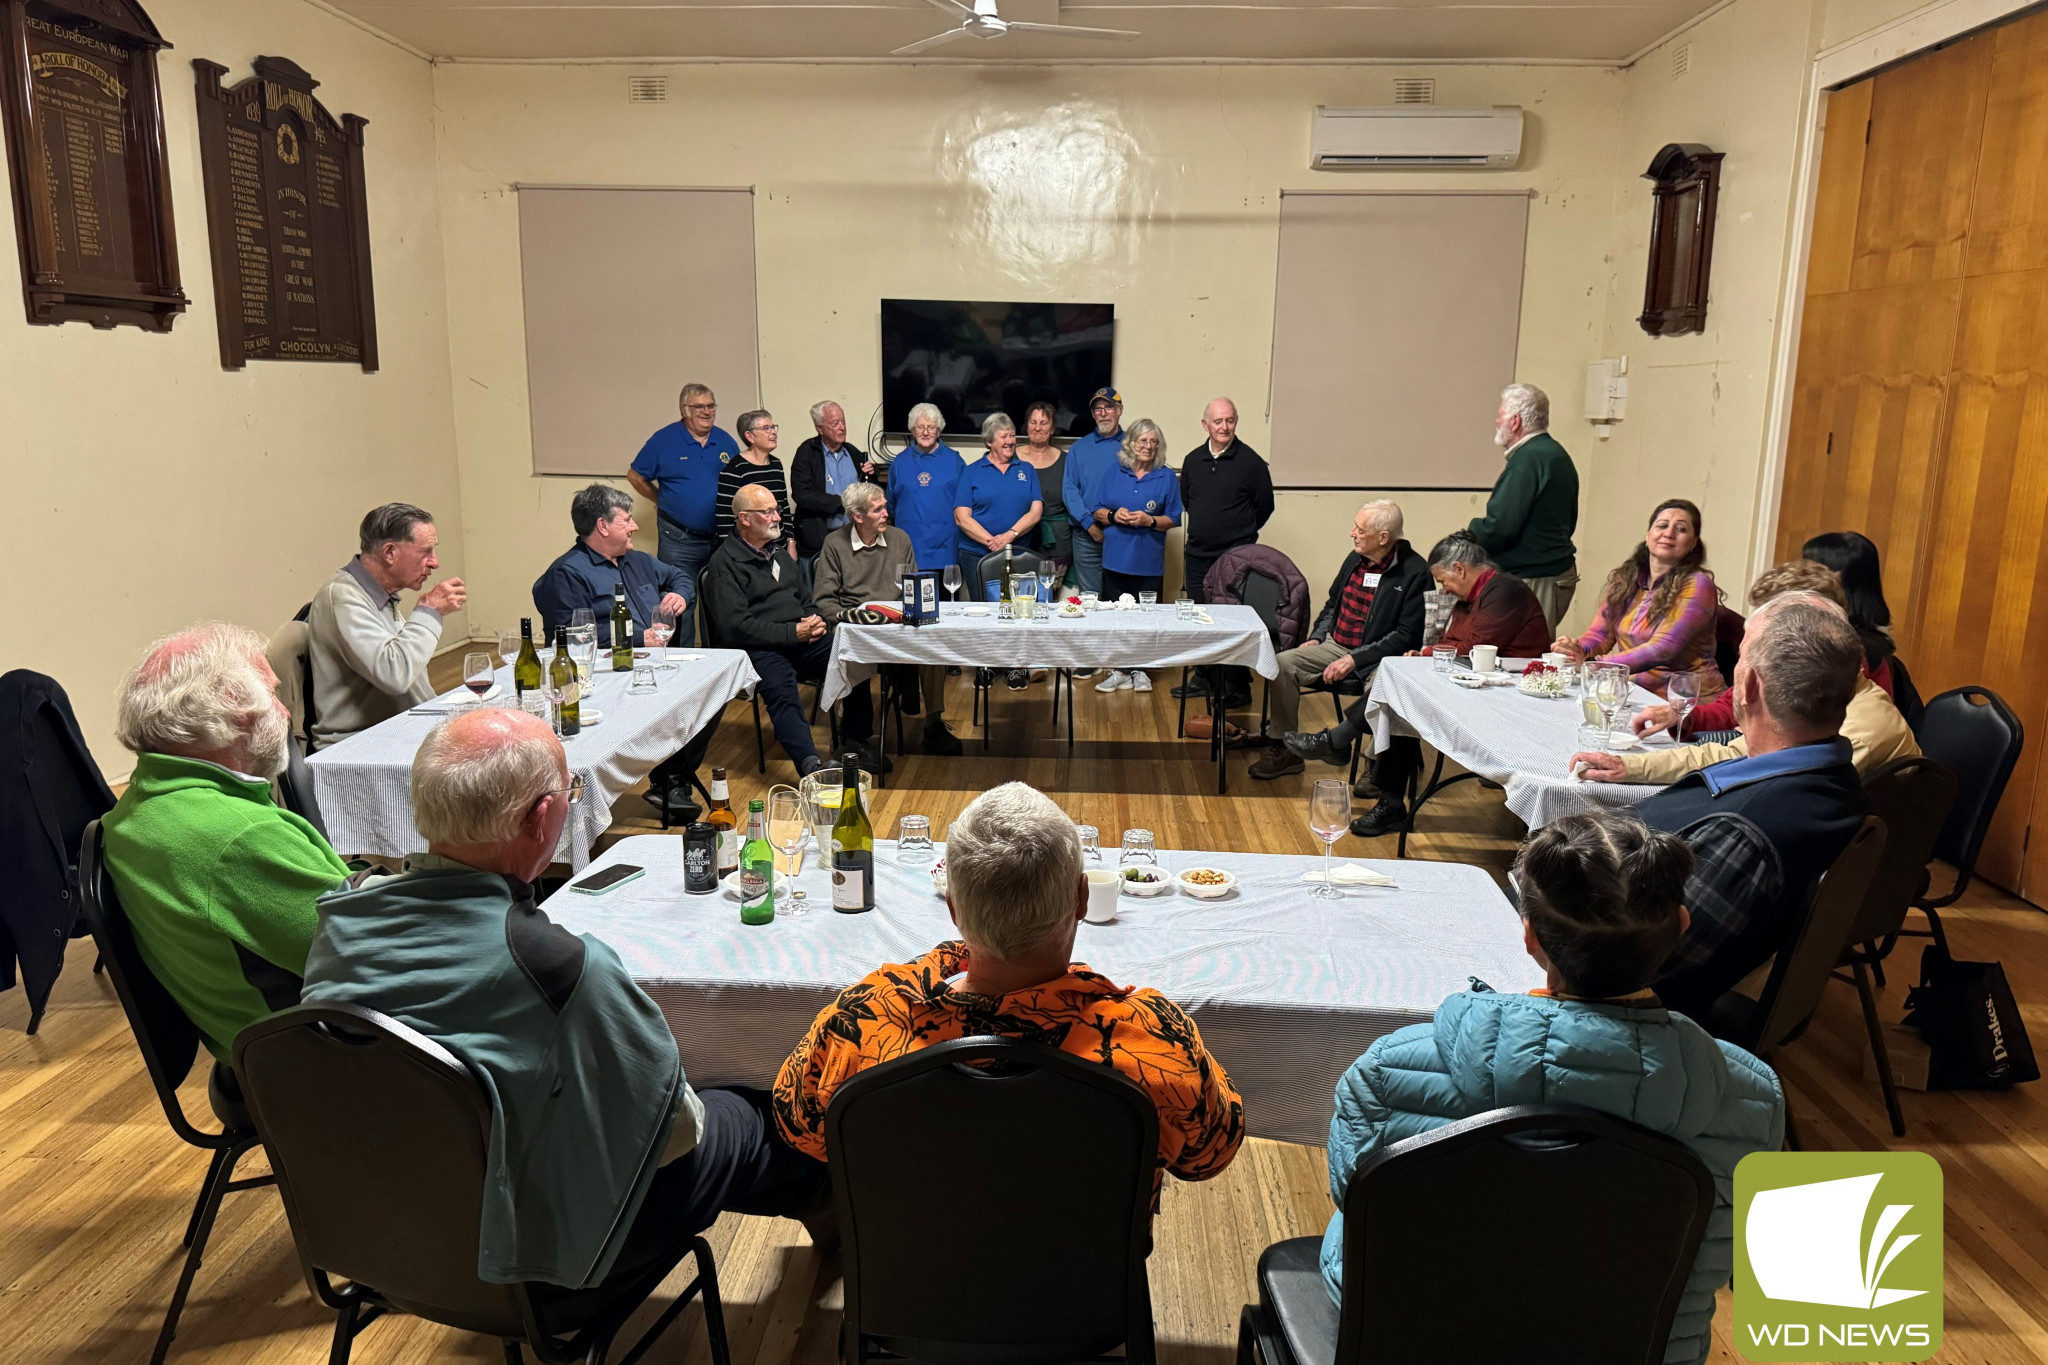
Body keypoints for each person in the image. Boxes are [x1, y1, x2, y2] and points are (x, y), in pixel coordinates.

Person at [301, 709, 827, 1290]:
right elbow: (676, 1131)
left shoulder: (342, 916)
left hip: (396, 1228)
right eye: (569, 791)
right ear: (543, 817)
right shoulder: (559, 968)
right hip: (548, 1255)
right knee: (764, 1107)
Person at [1319, 811, 1783, 1365]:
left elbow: (1356, 1199)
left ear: (1530, 936)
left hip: (1409, 1341)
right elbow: (1727, 1255)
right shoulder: (1753, 1101)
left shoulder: (1388, 1070)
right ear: (1682, 925)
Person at [771, 781, 1244, 1199]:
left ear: (954, 910)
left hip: (909, 1286)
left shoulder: (862, 1023)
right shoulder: (1156, 1038)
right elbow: (1211, 1156)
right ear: (1081, 898)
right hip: (1089, 1291)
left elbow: (798, 1128)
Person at [101, 624, 350, 1060]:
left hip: (252, 1054)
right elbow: (378, 956)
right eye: (274, 695)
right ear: (235, 711)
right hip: (329, 1065)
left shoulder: (134, 811)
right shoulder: (239, 836)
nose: (286, 711)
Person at [1625, 593, 1870, 1018]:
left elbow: (1634, 964)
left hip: (1621, 1011)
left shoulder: (1744, 833)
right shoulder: (1832, 780)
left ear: (1750, 684)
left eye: (1739, 658)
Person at [1589, 562, 1918, 782]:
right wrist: (1630, 767)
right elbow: (1735, 753)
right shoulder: (1806, 693)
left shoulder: (1856, 731)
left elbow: (1766, 784)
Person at [1339, 534, 1559, 835]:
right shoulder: (1469, 599)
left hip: (1509, 694)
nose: (1444, 589)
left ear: (1460, 569)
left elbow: (1472, 644)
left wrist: (1429, 652)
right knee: (1400, 691)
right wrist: (1432, 651)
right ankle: (1387, 798)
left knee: (1402, 695)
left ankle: (1342, 743)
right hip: (1475, 683)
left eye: (1444, 581)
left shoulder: (1505, 591)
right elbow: (1451, 641)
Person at [532, 484, 714, 815]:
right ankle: (665, 781)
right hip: (605, 675)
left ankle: (670, 779)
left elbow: (679, 577)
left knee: (712, 692)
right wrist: (633, 640)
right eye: (627, 520)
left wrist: (680, 596)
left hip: (655, 664)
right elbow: (570, 637)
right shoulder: (568, 573)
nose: (635, 526)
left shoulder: (637, 561)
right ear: (603, 526)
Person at [699, 484, 874, 775]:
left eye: (776, 510)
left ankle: (854, 742)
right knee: (781, 688)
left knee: (851, 652)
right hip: (757, 648)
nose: (777, 517)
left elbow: (805, 600)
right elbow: (736, 629)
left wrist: (815, 619)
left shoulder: (778, 554)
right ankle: (811, 765)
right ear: (745, 519)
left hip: (799, 640)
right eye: (767, 512)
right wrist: (795, 632)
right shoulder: (724, 564)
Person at [1249, 501, 1427, 780]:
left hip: (1381, 658)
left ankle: (1375, 764)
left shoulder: (1415, 572)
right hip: (1336, 645)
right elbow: (1333, 604)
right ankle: (1287, 750)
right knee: (1282, 663)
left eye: (1360, 529)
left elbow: (1407, 636)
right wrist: (1318, 637)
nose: (1352, 533)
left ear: (1383, 537)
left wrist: (1355, 659)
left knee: (1386, 685)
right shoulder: (1354, 559)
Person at [813, 481, 961, 756]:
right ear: (857, 516)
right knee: (848, 650)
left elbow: (912, 587)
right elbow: (823, 600)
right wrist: (848, 617)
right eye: (878, 509)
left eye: (884, 507)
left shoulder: (899, 539)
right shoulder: (835, 544)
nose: (886, 513)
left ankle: (933, 723)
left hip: (896, 622)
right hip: (858, 624)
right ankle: (853, 735)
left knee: (934, 645)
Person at [308, 502, 466, 747]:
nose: (435, 563)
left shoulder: (380, 596)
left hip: (398, 731)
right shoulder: (342, 597)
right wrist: (429, 611)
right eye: (426, 552)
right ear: (390, 552)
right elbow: (395, 674)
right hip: (360, 747)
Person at [1555, 498, 1725, 698]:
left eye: (1681, 530)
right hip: (1632, 692)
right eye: (1662, 525)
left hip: (1683, 704)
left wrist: (1594, 665)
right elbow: (1600, 636)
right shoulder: (1627, 579)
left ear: (1693, 544)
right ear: (1648, 535)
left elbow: (1662, 649)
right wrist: (1575, 650)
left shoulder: (1697, 584)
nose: (1668, 533)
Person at [1174, 397, 1274, 709]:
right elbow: (1188, 500)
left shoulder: (1252, 463)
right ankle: (1205, 676)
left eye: (1229, 420)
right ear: (1206, 425)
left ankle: (1237, 686)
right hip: (1198, 554)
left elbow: (1265, 506)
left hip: (1236, 557)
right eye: (1217, 421)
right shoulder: (1192, 461)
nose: (1224, 427)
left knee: (1233, 620)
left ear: (1236, 422)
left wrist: (1238, 533)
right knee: (1201, 617)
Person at [628, 382, 741, 648]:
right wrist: (660, 498)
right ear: (684, 410)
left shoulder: (725, 441)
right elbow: (635, 475)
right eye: (699, 407)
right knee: (680, 601)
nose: (706, 412)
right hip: (679, 539)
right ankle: (681, 660)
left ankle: (718, 661)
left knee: (720, 600)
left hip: (720, 538)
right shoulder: (664, 440)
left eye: (710, 406)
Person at [1466, 383, 1580, 631]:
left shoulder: (1528, 460)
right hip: (1552, 572)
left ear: (1515, 421)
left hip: (1535, 576)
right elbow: (1569, 521)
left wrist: (1469, 535)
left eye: (1500, 416)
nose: (1497, 422)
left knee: (1523, 655)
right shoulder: (1554, 454)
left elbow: (1501, 527)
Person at [1088, 419, 1183, 696]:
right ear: (1131, 444)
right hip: (1115, 560)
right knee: (1116, 618)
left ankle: (1141, 669)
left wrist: (1149, 521)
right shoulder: (1114, 472)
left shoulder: (1165, 477)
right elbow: (1096, 509)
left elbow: (1174, 518)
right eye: (1143, 441)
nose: (1149, 446)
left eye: (1154, 442)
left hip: (1148, 563)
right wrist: (1113, 516)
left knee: (1145, 620)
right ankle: (1118, 671)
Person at [1802, 530, 1916, 716]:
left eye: (1807, 572)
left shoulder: (1848, 651)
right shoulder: (1874, 644)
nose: (1798, 578)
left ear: (1835, 582)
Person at [954, 411, 1045, 602]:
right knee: (985, 609)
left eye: (1012, 435)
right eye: (1003, 436)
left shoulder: (1026, 470)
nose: (1010, 441)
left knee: (1019, 607)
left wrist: (1008, 537)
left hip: (1019, 553)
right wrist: (993, 542)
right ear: (989, 442)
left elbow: (1036, 512)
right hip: (976, 555)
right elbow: (962, 518)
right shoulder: (971, 471)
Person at [886, 402, 967, 587]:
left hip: (946, 551)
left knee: (945, 608)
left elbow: (965, 505)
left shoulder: (955, 461)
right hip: (910, 550)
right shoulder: (899, 462)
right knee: (912, 610)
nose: (925, 432)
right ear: (912, 430)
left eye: (930, 427)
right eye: (920, 427)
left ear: (939, 431)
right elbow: (890, 505)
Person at [789, 400, 874, 562]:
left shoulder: (853, 452)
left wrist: (872, 475)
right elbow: (802, 494)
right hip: (820, 540)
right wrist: (841, 502)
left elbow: (867, 492)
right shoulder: (807, 453)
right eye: (835, 423)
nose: (842, 427)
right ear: (819, 428)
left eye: (843, 422)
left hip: (854, 537)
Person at [1063, 387, 1125, 601]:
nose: (1103, 413)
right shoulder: (1079, 448)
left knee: (1121, 598)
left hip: (1124, 534)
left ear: (1119, 410)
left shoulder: (1133, 446)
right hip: (1085, 536)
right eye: (1098, 409)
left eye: (1108, 407)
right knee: (1090, 598)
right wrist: (1088, 523)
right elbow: (1070, 490)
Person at [714, 410, 796, 547]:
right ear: (750, 436)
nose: (773, 432)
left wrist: (791, 542)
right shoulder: (734, 469)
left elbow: (784, 508)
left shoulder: (776, 464)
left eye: (773, 427)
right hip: (748, 550)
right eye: (766, 428)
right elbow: (724, 518)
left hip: (779, 547)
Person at [1018, 400, 1072, 586]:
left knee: (1048, 597)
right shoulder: (1011, 458)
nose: (1038, 428)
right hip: (1020, 539)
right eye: (1033, 422)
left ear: (1052, 428)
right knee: (1022, 595)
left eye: (1043, 423)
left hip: (1058, 542)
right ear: (1026, 426)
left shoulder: (1066, 460)